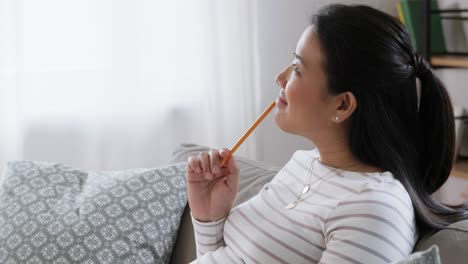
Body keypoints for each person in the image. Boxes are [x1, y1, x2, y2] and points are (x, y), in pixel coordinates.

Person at [186, 4, 468, 263]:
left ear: (343, 104)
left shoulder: (374, 208)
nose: (280, 78)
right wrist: (209, 218)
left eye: (297, 69)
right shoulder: (303, 164)